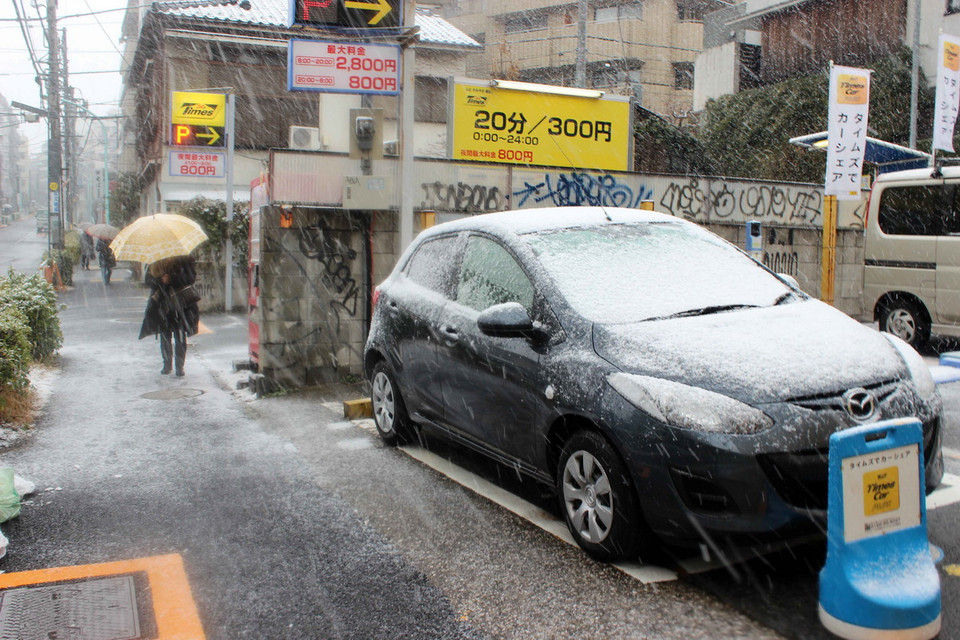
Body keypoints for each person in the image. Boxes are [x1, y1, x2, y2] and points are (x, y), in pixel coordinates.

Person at [139, 256, 201, 377]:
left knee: (180, 336)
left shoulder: (184, 260)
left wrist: (173, 277)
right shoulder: (155, 260)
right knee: (165, 334)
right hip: (162, 305)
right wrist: (161, 280)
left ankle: (179, 367)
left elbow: (191, 278)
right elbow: (148, 281)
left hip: (181, 304)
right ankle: (167, 364)